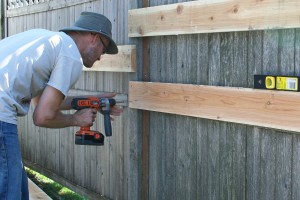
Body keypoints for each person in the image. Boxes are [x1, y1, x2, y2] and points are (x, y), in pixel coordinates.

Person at [0, 11, 123, 199]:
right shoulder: (70, 55)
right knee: (10, 192)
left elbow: (41, 103)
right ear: (95, 38)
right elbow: (42, 117)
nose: (100, 58)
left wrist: (92, 100)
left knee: (17, 185)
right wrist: (76, 119)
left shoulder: (49, 41)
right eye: (104, 50)